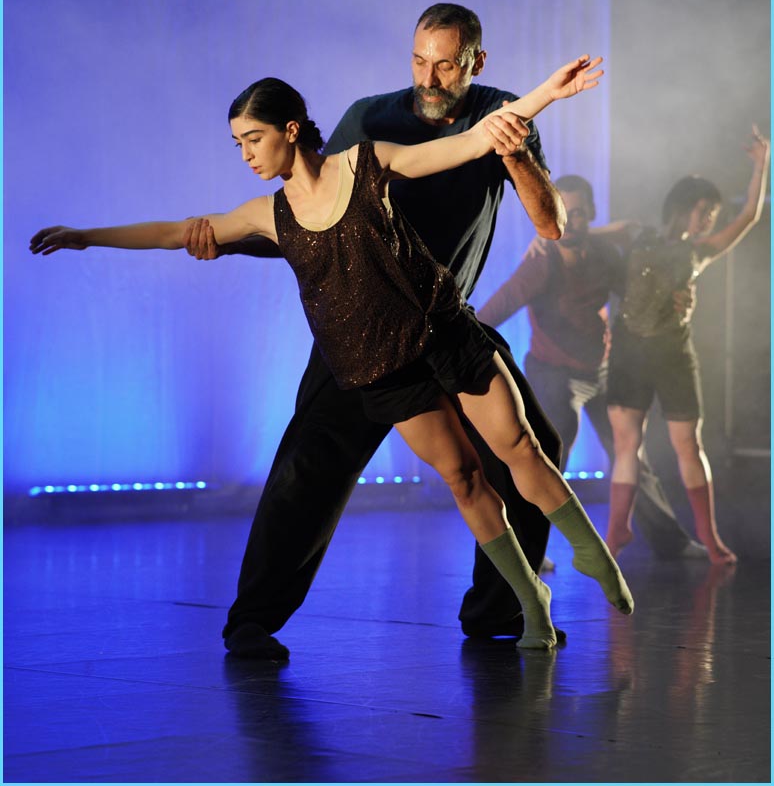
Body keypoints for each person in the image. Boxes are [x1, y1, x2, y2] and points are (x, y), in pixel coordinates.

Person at [31, 60, 635, 652]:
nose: (245, 154)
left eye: (253, 138)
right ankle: (529, 599)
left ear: (290, 129)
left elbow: (472, 142)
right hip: (379, 364)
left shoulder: (367, 161)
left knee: (524, 445)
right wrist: (87, 237)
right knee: (459, 477)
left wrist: (547, 93)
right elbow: (176, 231)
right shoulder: (268, 214)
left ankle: (585, 559)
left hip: (443, 331)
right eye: (238, 143)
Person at [183, 3, 572, 657]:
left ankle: (501, 610)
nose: (428, 77)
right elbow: (312, 213)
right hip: (360, 329)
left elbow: (550, 223)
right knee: (310, 463)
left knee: (535, 449)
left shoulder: (500, 114)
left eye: (445, 65)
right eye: (419, 61)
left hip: (445, 327)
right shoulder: (371, 119)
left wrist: (516, 155)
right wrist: (226, 241)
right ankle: (252, 620)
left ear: (476, 62)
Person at [477, 174, 707, 560]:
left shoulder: (603, 255)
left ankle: (672, 542)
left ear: (593, 214)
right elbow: (498, 307)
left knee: (630, 453)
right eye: (564, 212)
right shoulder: (542, 261)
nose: (571, 222)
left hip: (600, 370)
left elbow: (641, 288)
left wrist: (679, 298)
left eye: (580, 213)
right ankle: (528, 551)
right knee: (548, 458)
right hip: (554, 373)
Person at [605, 126, 770, 564]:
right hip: (628, 351)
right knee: (627, 446)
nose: (709, 218)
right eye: (704, 210)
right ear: (681, 206)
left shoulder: (699, 251)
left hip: (673, 354)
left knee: (688, 444)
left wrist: (762, 164)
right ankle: (616, 532)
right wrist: (549, 240)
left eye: (713, 212)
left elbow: (749, 217)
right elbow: (583, 236)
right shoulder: (636, 234)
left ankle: (709, 537)